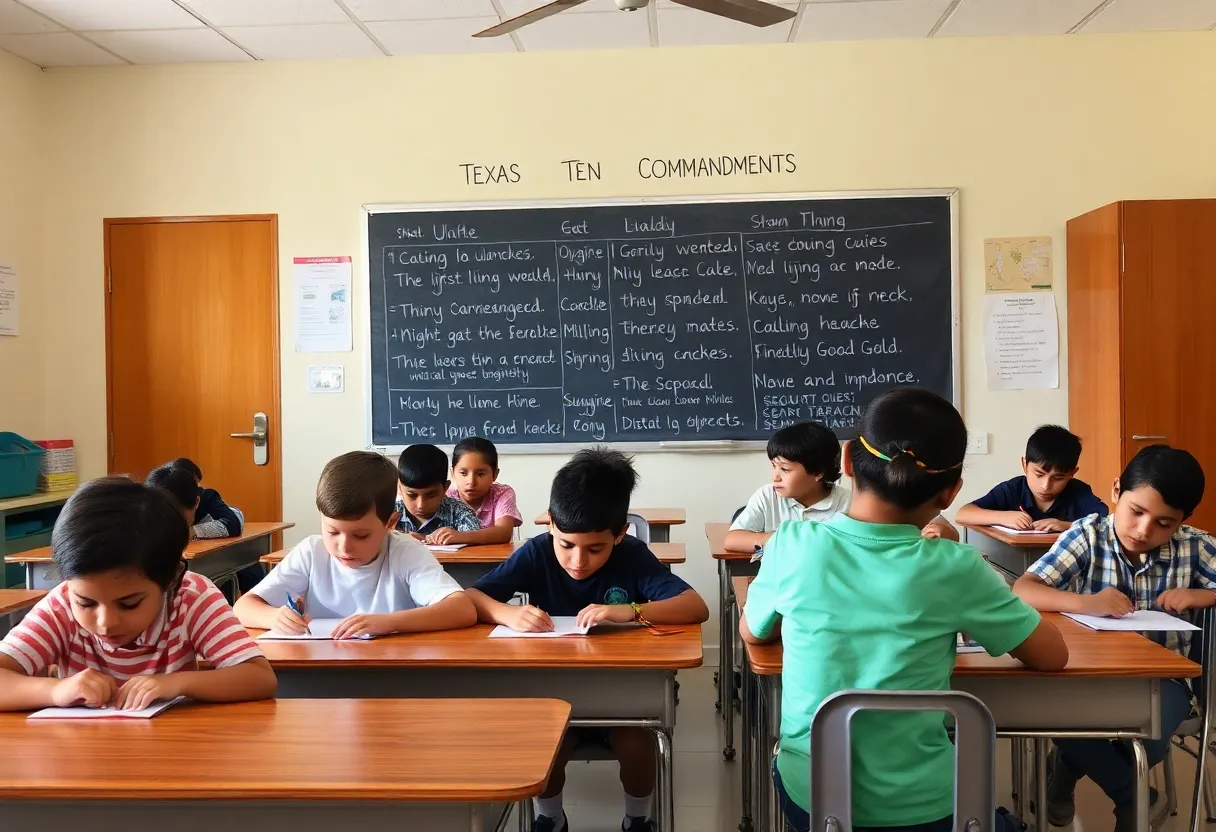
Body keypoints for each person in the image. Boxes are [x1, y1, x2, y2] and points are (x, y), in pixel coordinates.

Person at [741, 388, 1068, 832]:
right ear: (951, 492)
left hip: (814, 796)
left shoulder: (793, 544)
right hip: (929, 807)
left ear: (847, 462)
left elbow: (754, 632)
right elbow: (1053, 656)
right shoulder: (957, 568)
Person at [467, 447, 710, 832]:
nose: (578, 561)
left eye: (595, 548)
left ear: (619, 534)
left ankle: (637, 819)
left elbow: (694, 605)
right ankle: (549, 819)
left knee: (637, 742)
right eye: (566, 545)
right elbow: (472, 598)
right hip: (554, 694)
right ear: (549, 526)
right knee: (548, 746)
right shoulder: (536, 552)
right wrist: (508, 612)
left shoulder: (631, 555)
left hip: (624, 694)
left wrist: (630, 610)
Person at [1014, 444, 1214, 831]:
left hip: (1163, 680)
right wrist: (1086, 602)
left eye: (1164, 523)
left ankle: (1066, 769)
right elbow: (1025, 589)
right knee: (1060, 719)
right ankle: (1133, 798)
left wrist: (1202, 595)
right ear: (1116, 491)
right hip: (1086, 675)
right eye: (1136, 512)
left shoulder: (1196, 545)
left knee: (1150, 741)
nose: (1144, 530)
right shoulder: (1088, 535)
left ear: (1183, 521)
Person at [0, 477, 277, 712]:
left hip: (173, 754)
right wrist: (55, 691)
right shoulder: (61, 604)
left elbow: (259, 677)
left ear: (170, 580)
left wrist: (175, 683)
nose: (105, 622)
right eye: (86, 602)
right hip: (82, 759)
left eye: (129, 603)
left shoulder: (192, 597)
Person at [234, 451, 475, 639]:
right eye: (332, 531)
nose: (344, 547)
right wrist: (275, 617)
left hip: (392, 671)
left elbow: (462, 610)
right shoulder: (311, 552)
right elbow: (243, 608)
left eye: (360, 535)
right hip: (322, 671)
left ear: (390, 523)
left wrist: (387, 622)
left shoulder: (405, 552)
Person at [726, 420, 957, 553]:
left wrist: (943, 530)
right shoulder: (768, 496)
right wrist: (792, 540)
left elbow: (938, 528)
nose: (775, 477)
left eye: (785, 470)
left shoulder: (849, 503)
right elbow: (732, 540)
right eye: (774, 467)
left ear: (817, 472)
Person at [956, 425, 1107, 532]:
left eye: (1058, 478)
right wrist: (1003, 517)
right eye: (1039, 474)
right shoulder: (1012, 490)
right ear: (1024, 465)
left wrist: (1066, 526)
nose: (1045, 485)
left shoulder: (1078, 492)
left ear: (1072, 473)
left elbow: (1106, 523)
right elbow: (963, 514)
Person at [443, 437, 523, 545]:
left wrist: (459, 536)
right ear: (452, 473)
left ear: (495, 474)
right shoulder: (446, 497)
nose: (471, 482)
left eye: (480, 474)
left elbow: (503, 533)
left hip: (495, 560)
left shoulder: (502, 494)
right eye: (463, 473)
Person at [394, 444, 481, 543]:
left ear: (445, 488)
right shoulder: (386, 513)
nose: (421, 505)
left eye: (430, 495)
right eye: (412, 495)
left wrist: (426, 540)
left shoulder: (460, 514)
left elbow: (477, 552)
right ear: (399, 487)